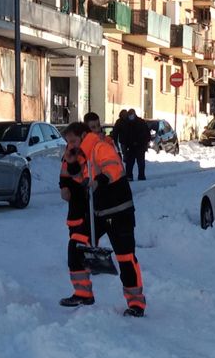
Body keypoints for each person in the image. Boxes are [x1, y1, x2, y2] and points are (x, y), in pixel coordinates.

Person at [59, 122, 147, 317]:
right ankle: (82, 292)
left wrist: (99, 181)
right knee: (76, 243)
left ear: (83, 136)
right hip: (98, 212)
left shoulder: (100, 147)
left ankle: (136, 303)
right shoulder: (82, 154)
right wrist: (72, 162)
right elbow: (79, 180)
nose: (70, 145)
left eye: (73, 140)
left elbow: (114, 168)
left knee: (125, 257)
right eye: (68, 142)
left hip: (119, 211)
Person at [123, 109, 150, 181]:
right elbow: (125, 135)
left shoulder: (141, 122)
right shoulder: (127, 123)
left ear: (134, 114)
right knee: (129, 163)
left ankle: (141, 176)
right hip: (130, 147)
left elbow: (146, 134)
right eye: (129, 115)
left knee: (140, 162)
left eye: (131, 115)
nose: (130, 116)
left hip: (140, 146)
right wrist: (125, 145)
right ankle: (129, 176)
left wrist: (141, 142)